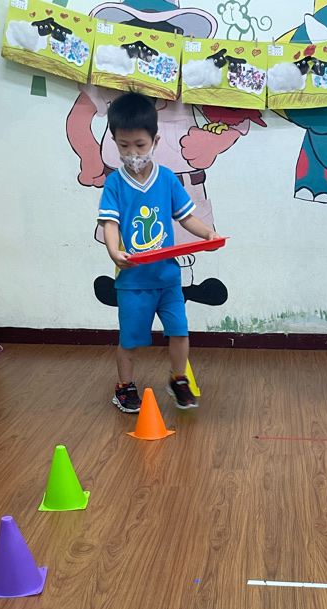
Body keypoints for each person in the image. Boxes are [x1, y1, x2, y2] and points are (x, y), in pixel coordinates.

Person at [98, 91, 219, 412]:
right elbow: (110, 223)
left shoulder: (166, 179)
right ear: (114, 142)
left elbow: (186, 217)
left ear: (155, 140)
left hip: (168, 278)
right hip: (133, 282)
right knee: (131, 340)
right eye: (124, 146)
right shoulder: (115, 184)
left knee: (179, 331)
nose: (132, 153)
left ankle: (178, 379)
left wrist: (208, 233)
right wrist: (113, 251)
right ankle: (124, 387)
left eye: (140, 145)